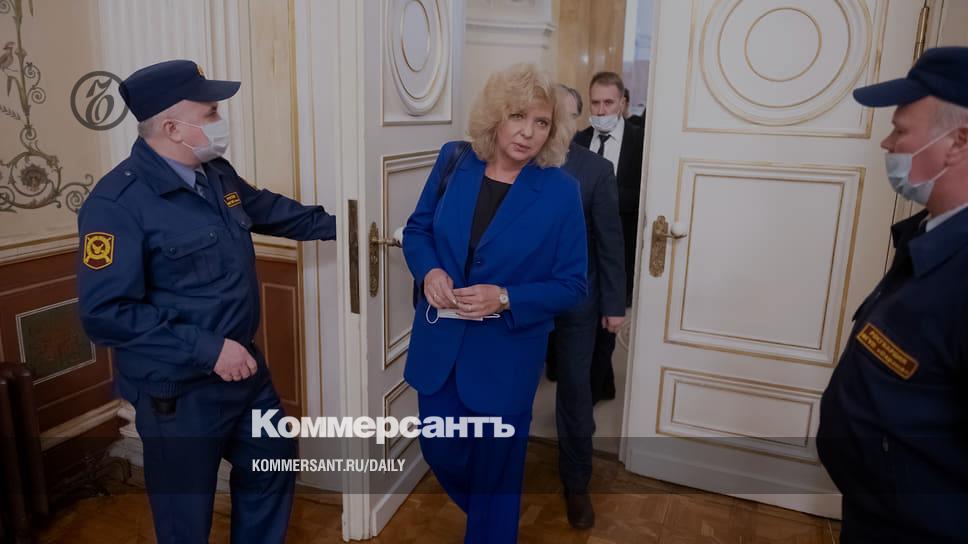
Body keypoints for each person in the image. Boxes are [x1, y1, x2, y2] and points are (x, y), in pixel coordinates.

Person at [76, 59, 337, 543]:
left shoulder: (214, 172)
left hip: (244, 373)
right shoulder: (116, 204)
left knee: (272, 466)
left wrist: (354, 226)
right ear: (173, 128)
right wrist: (210, 350)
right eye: (211, 111)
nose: (221, 120)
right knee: (186, 519)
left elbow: (268, 209)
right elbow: (106, 313)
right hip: (179, 392)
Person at [402, 64, 587, 543]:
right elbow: (418, 229)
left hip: (507, 355)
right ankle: (491, 512)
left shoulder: (561, 192)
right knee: (440, 449)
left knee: (498, 475)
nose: (528, 132)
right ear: (495, 116)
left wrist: (505, 297)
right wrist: (430, 271)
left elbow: (573, 285)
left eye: (541, 122)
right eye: (517, 116)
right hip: (440, 346)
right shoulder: (454, 160)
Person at [817, 46, 968, 542]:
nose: (887, 142)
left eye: (901, 130)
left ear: (959, 141)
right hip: (877, 515)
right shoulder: (928, 233)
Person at [546, 84, 626, 529]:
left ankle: (576, 484)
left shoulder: (595, 170)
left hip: (580, 300)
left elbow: (610, 243)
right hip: (524, 300)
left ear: (576, 121)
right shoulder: (520, 163)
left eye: (565, 115)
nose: (555, 123)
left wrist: (614, 304)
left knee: (575, 393)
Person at [574, 71, 645, 403]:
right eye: (596, 103)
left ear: (623, 103)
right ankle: (593, 388)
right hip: (581, 250)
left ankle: (599, 387)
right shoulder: (578, 140)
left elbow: (646, 194)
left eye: (609, 103)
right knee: (585, 327)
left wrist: (604, 195)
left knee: (609, 322)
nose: (601, 111)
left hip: (621, 247)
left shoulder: (641, 141)